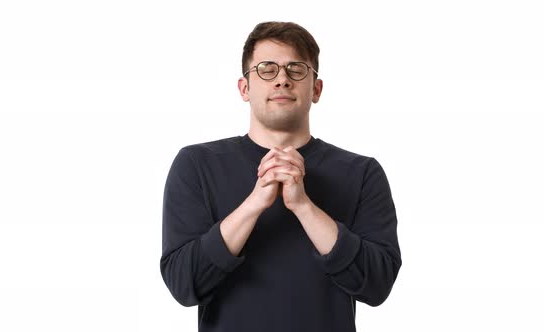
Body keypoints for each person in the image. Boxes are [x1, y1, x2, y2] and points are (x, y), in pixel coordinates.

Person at [160, 21, 401, 332]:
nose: (283, 80)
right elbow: (184, 285)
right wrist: (254, 204)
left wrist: (303, 206)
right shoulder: (196, 164)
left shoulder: (362, 172)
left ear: (316, 89)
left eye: (296, 69)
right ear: (244, 88)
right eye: (267, 69)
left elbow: (377, 285)